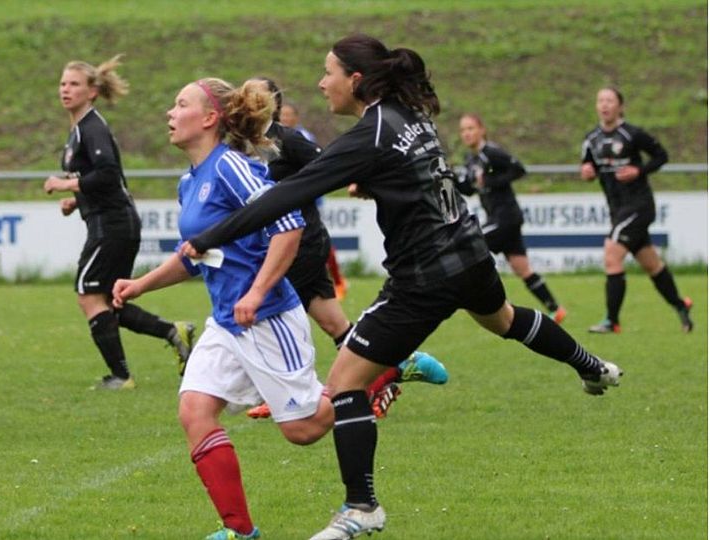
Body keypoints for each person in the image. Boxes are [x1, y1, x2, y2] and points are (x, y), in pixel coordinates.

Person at [181, 35, 623, 539]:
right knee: (504, 320)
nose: (321, 83)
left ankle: (361, 507)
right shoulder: (411, 115)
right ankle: (593, 366)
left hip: (423, 277)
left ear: (355, 80)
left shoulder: (368, 136)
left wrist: (210, 236)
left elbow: (287, 194)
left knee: (346, 382)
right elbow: (417, 174)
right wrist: (380, 186)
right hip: (470, 252)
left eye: (328, 73)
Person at [113, 77, 334, 540]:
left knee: (304, 429)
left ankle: (374, 375)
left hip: (267, 316)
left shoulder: (232, 167)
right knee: (194, 410)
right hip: (227, 322)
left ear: (210, 118)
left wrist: (256, 292)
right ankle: (239, 531)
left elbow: (289, 227)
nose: (169, 114)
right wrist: (141, 285)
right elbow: (197, 258)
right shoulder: (189, 182)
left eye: (180, 104)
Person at [245, 77, 448, 421]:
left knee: (267, 310)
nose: (242, 97)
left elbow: (332, 167)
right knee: (333, 323)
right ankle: (396, 368)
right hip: (281, 244)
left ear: (270, 102)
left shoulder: (289, 141)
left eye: (252, 93)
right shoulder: (244, 145)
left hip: (301, 242)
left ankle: (292, 395)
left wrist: (367, 185)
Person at [43, 55, 195, 389]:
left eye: (74, 84)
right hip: (111, 222)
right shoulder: (79, 129)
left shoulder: (92, 127)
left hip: (113, 225)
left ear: (92, 91)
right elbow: (97, 179)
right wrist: (77, 199)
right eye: (63, 83)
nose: (66, 90)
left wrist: (65, 184)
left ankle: (122, 376)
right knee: (110, 298)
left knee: (88, 294)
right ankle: (173, 332)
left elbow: (108, 174)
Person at [580, 87, 693, 334]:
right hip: (617, 209)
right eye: (600, 101)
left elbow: (661, 156)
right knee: (652, 264)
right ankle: (681, 304)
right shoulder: (591, 139)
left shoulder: (632, 134)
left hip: (639, 205)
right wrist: (588, 172)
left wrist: (639, 171)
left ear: (620, 106)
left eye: (610, 100)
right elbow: (588, 167)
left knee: (611, 255)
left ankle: (612, 320)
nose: (605, 105)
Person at [456, 113, 567, 323]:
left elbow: (518, 169)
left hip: (505, 217)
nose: (467, 133)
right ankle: (556, 309)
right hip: (500, 219)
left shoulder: (492, 152)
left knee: (472, 246)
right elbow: (470, 190)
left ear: (482, 130)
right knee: (521, 267)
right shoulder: (471, 159)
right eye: (463, 130)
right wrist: (451, 179)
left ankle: (487, 303)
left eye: (470, 128)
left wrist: (491, 180)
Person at [280, 101, 349, 299]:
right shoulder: (276, 138)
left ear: (296, 118)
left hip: (308, 197)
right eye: (282, 115)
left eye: (288, 115)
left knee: (316, 237)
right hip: (288, 198)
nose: (285, 119)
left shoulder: (302, 138)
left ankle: (338, 280)